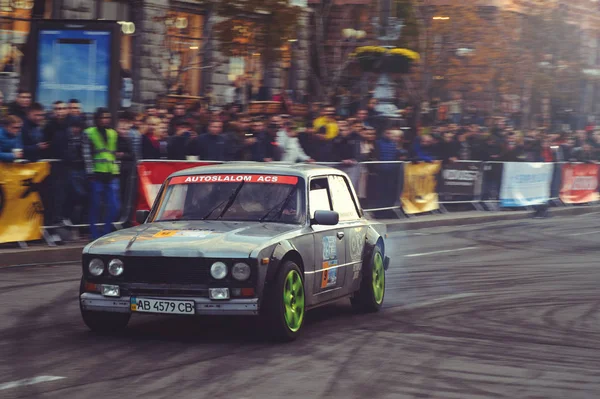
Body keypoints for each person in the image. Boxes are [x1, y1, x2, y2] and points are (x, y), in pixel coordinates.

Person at [82, 108, 120, 240]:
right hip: (96, 174)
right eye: (102, 117)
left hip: (111, 173)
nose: (105, 120)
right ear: (96, 119)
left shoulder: (113, 133)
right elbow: (86, 155)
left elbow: (113, 153)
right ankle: (94, 233)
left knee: (115, 206)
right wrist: (90, 173)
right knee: (95, 205)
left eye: (107, 117)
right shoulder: (89, 133)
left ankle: (105, 231)